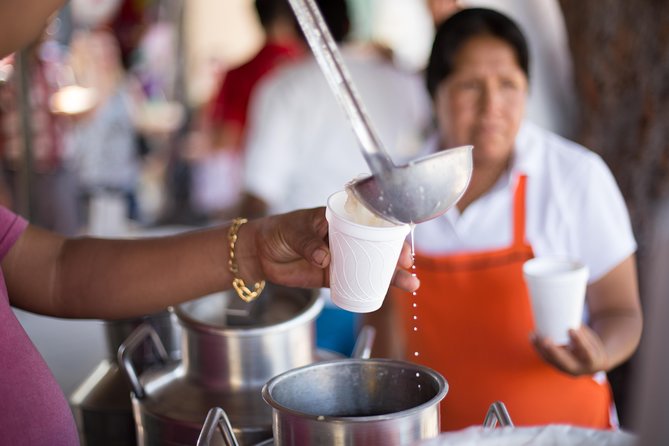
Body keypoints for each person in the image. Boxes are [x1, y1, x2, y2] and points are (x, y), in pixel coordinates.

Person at [0, 3, 420, 444]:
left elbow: (56, 269)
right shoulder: (397, 82)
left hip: (317, 279)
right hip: (335, 281)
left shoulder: (282, 84)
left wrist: (257, 247)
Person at [365, 8, 642, 431]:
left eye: (508, 85)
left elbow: (622, 311)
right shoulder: (398, 193)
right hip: (440, 437)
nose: (492, 105)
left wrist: (599, 352)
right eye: (471, 85)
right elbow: (382, 337)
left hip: (567, 437)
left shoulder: (575, 177)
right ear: (434, 92)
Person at [240, 0, 431, 354]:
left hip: (308, 287)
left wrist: (244, 271)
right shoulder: (401, 82)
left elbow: (258, 193)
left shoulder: (285, 87)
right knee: (378, 400)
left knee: (309, 402)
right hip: (388, 281)